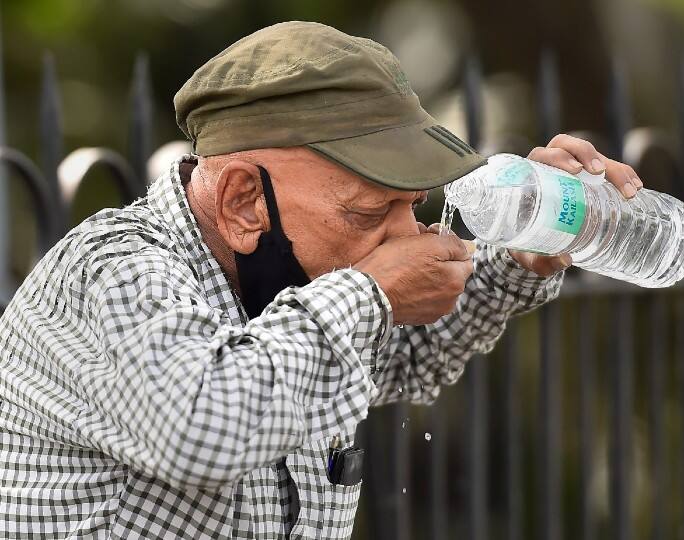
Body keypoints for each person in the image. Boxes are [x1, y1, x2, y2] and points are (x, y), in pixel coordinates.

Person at [0, 21, 643, 540]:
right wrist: (371, 293)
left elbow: (407, 350)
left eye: (411, 206)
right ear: (243, 202)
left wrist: (520, 257)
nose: (403, 236)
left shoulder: (289, 279)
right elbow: (201, 428)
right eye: (368, 212)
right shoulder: (109, 274)